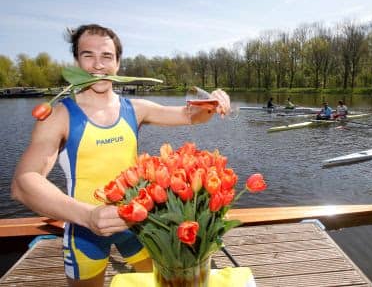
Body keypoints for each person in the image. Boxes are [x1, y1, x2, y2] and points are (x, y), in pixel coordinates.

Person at [10, 24, 230, 287]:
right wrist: (88, 216)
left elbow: (191, 115)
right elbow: (24, 182)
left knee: (163, 283)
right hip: (83, 230)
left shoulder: (135, 108)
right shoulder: (58, 117)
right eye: (88, 55)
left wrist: (214, 102)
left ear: (117, 63)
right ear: (76, 61)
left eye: (106, 56)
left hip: (136, 225)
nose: (97, 65)